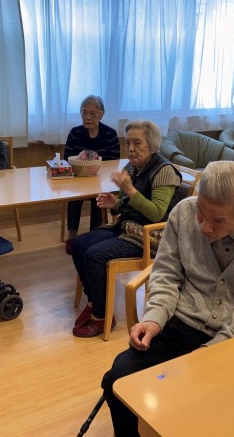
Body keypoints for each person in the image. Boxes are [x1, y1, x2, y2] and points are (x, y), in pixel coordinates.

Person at [100, 160, 234, 436]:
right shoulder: (183, 212)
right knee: (118, 380)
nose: (205, 227)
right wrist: (154, 318)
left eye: (218, 220)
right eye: (201, 212)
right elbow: (166, 273)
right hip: (179, 321)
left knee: (198, 405)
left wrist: (212, 352)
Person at [71, 120, 181, 338]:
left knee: (94, 255)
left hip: (151, 236)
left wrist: (129, 190)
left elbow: (157, 213)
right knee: (78, 245)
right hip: (127, 227)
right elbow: (126, 204)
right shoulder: (131, 168)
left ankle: (101, 315)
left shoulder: (165, 171)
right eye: (127, 143)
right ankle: (94, 300)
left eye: (137, 143)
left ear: (152, 145)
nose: (130, 149)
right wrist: (115, 204)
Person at [63, 96, 120, 254]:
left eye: (92, 113)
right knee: (74, 195)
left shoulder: (110, 134)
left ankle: (94, 236)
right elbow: (67, 159)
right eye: (84, 113)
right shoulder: (75, 133)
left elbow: (114, 162)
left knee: (99, 195)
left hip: (101, 180)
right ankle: (72, 237)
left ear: (101, 114)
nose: (88, 117)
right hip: (79, 179)